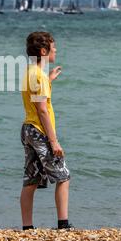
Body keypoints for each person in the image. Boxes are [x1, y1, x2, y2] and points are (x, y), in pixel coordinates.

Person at [20, 31, 73, 230]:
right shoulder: (38, 77)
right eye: (53, 47)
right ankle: (63, 224)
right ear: (44, 51)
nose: (56, 50)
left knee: (31, 179)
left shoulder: (30, 72)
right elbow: (42, 110)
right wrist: (53, 141)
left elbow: (36, 100)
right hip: (40, 131)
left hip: (28, 129)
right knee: (63, 176)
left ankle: (27, 227)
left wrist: (49, 80)